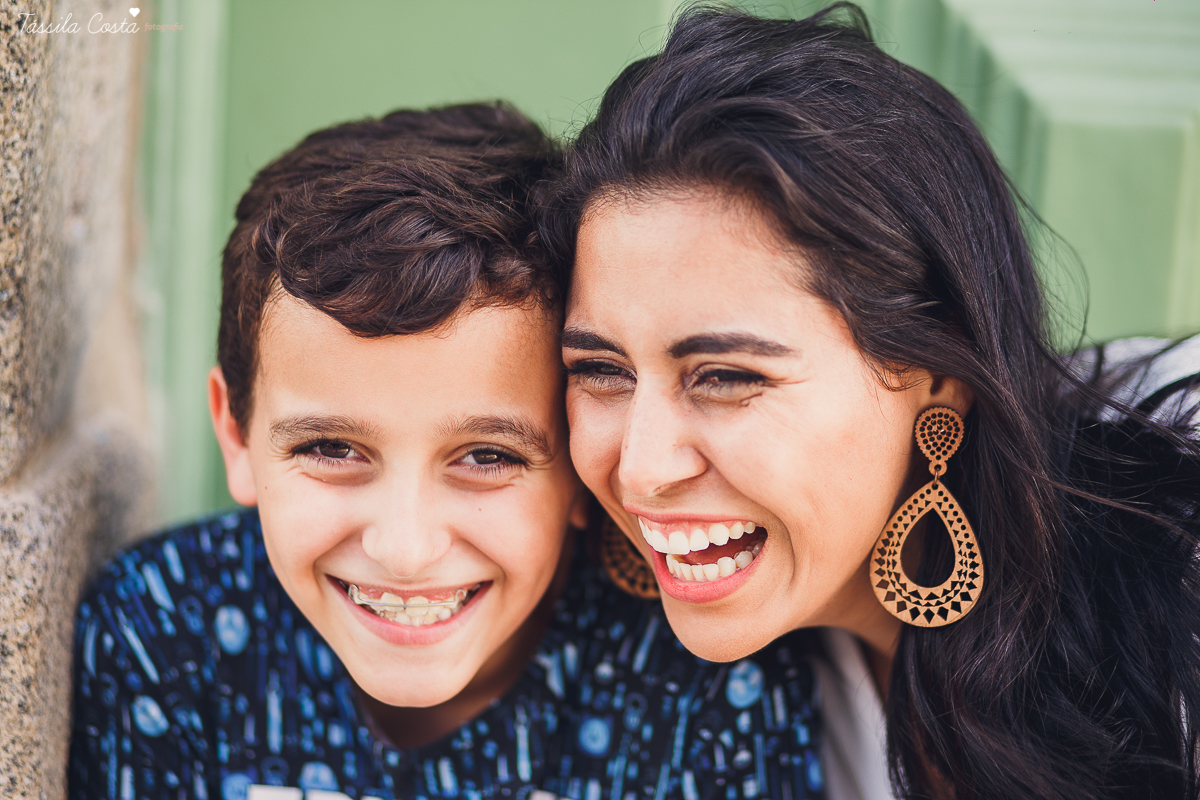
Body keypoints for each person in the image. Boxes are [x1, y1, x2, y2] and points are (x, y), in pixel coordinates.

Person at [69, 102, 826, 800]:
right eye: (332, 448)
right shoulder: (164, 631)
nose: (406, 549)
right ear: (234, 433)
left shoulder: (699, 680)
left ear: (580, 464)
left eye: (489, 457)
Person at [545, 5, 1200, 800]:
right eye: (602, 371)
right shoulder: (694, 691)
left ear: (937, 373)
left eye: (726, 377)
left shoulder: (1176, 563)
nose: (643, 469)